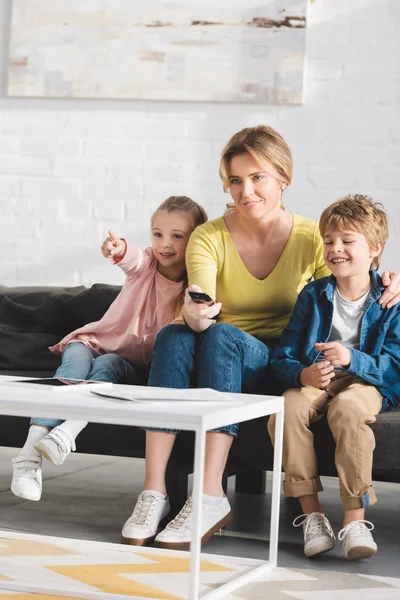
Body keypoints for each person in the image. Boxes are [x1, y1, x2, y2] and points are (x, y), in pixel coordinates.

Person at [120, 125, 400, 549]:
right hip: (220, 352)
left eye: (257, 178)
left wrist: (388, 280)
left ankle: (210, 493)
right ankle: (153, 490)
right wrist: (194, 315)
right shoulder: (208, 236)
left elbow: (347, 288)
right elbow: (201, 308)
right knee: (175, 336)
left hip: (278, 363)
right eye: (235, 180)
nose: (245, 190)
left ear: (282, 178)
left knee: (221, 337)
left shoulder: (313, 239)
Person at [11, 196, 207, 503]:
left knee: (107, 368)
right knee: (71, 372)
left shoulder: (194, 287)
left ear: (196, 240)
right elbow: (132, 257)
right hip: (91, 341)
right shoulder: (146, 266)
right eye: (157, 234)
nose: (164, 244)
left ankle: (67, 432)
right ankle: (27, 459)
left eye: (177, 236)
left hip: (124, 361)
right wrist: (118, 249)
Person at [268, 194, 400, 560]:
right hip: (318, 378)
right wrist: (303, 373)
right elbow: (284, 356)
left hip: (366, 382)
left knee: (348, 410)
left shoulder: (391, 299)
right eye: (329, 241)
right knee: (287, 408)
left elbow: (395, 365)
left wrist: (352, 358)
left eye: (347, 241)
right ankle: (313, 516)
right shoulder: (312, 295)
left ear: (375, 248)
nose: (335, 249)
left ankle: (355, 520)